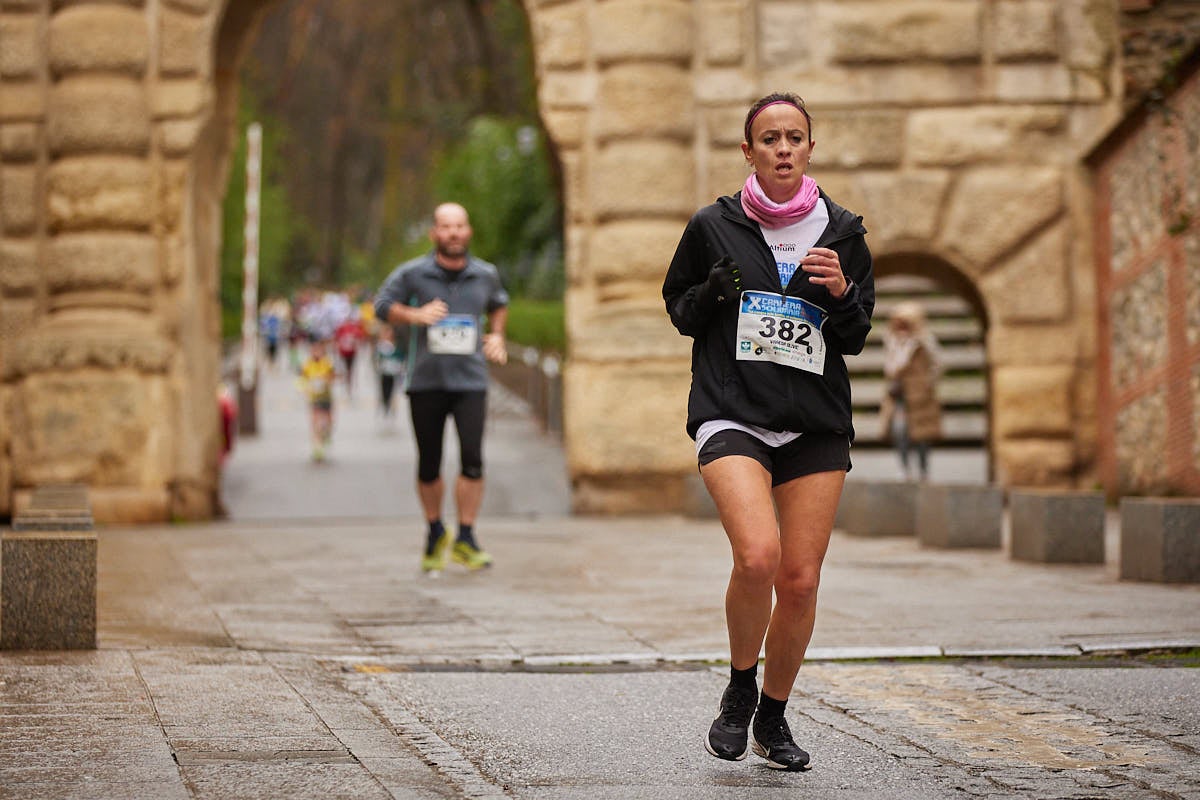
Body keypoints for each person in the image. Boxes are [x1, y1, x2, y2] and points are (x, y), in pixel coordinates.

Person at [662, 92, 875, 771]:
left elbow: (857, 336)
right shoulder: (713, 225)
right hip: (733, 410)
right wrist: (711, 294)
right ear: (748, 151)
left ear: (810, 148)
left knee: (801, 580)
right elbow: (679, 310)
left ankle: (773, 717)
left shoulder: (843, 232)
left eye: (794, 137)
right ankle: (738, 689)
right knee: (757, 556)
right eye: (769, 138)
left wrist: (842, 293)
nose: (783, 148)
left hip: (814, 422)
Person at [374, 202, 509, 574]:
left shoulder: (485, 274)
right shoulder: (412, 273)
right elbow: (381, 305)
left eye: (459, 226)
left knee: (473, 460)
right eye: (446, 227)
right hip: (426, 381)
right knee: (429, 463)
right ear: (434, 233)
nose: (453, 233)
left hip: (471, 381)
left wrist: (497, 335)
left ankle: (466, 536)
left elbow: (499, 304)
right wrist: (414, 315)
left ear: (469, 231)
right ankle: (435, 530)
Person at [880, 301, 942, 481]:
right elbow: (890, 367)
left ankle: (923, 469)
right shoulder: (892, 341)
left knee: (922, 435)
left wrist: (926, 384)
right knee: (899, 432)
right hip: (899, 395)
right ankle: (904, 468)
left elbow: (936, 365)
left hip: (920, 396)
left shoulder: (925, 342)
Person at [299, 338, 337, 462]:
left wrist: (325, 380)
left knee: (329, 420)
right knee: (315, 422)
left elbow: (333, 377)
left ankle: (327, 434)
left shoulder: (327, 363)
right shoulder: (307, 364)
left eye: (318, 350)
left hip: (326, 396)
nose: (316, 352)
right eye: (314, 350)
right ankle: (317, 448)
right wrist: (305, 387)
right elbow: (302, 378)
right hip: (314, 397)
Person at [374, 322, 406, 419]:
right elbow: (377, 360)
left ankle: (392, 412)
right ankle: (385, 409)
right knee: (384, 392)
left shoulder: (397, 346)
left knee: (393, 393)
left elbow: (401, 358)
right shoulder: (381, 346)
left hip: (395, 374)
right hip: (384, 373)